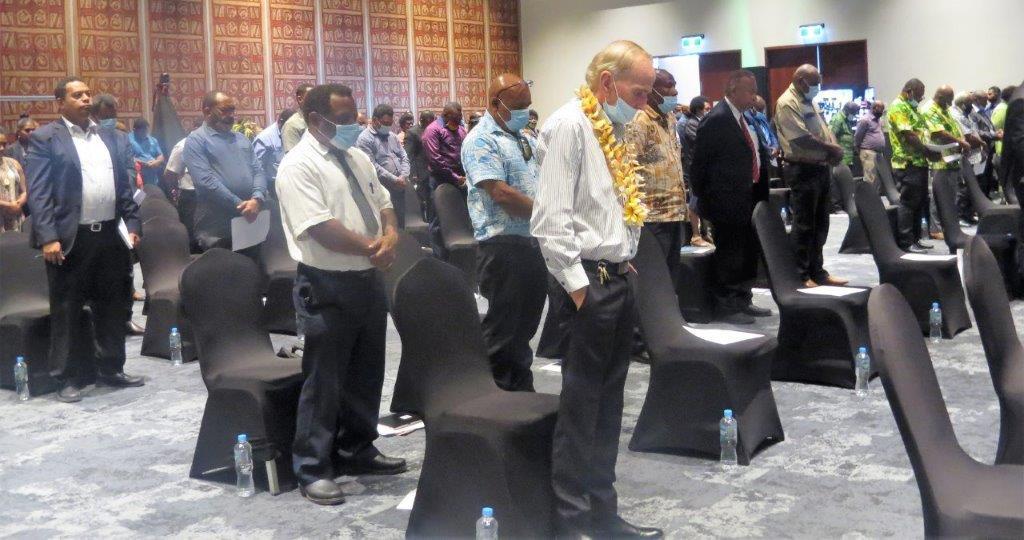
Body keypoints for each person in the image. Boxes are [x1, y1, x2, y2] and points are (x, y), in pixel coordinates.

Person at [531, 40, 663, 539]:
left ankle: (603, 514)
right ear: (607, 82)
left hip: (616, 278)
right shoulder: (569, 125)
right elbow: (550, 221)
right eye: (639, 92)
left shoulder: (612, 128)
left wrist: (624, 257)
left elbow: (609, 208)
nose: (644, 104)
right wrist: (580, 290)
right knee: (581, 410)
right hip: (587, 286)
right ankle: (571, 522)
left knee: (609, 407)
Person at [275, 83, 406, 506]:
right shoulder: (298, 165)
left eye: (355, 116)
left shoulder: (357, 156)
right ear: (316, 120)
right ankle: (312, 467)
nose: (355, 125)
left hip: (367, 278)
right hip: (326, 282)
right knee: (324, 380)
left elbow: (383, 201)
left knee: (367, 371)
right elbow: (319, 227)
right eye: (345, 119)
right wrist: (374, 247)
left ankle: (357, 448)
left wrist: (390, 235)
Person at [25, 77, 144, 403]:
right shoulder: (45, 138)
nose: (86, 99)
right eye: (77, 95)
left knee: (112, 305)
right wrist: (48, 237)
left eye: (88, 94)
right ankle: (66, 377)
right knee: (68, 310)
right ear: (60, 103)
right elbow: (39, 193)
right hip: (69, 239)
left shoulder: (112, 137)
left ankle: (111, 368)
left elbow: (124, 188)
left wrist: (133, 224)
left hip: (109, 235)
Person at [461, 74, 545, 392]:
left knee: (525, 326)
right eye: (518, 106)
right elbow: (501, 194)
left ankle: (519, 388)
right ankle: (492, 393)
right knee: (503, 328)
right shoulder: (481, 140)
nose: (525, 112)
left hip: (532, 240)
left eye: (528, 105)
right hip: (502, 246)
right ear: (496, 104)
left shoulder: (524, 137)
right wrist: (548, 213)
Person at [689, 70, 771, 325]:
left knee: (747, 253)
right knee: (730, 256)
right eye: (750, 90)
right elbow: (699, 165)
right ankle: (727, 305)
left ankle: (743, 299)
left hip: (748, 198)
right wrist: (708, 199)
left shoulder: (744, 118)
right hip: (726, 202)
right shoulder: (717, 119)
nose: (754, 95)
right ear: (733, 91)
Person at [774, 64, 848, 286]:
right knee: (804, 224)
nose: (817, 87)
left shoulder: (809, 100)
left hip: (820, 168)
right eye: (814, 84)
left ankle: (818, 271)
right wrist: (831, 149)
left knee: (821, 223)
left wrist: (833, 148)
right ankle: (801, 274)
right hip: (802, 169)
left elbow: (823, 129)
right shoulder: (787, 102)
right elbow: (800, 138)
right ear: (801, 81)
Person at [183, 91, 268, 253]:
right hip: (217, 227)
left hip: (249, 220)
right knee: (223, 267)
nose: (231, 115)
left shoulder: (241, 139)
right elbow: (206, 182)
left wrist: (257, 198)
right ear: (207, 111)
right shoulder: (196, 141)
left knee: (252, 264)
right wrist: (240, 204)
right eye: (224, 110)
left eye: (232, 110)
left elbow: (258, 171)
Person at [626, 69, 687, 285]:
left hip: (674, 211)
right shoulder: (638, 120)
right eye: (668, 86)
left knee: (672, 275)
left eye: (674, 84)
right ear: (652, 90)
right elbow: (628, 167)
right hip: (652, 216)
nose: (674, 91)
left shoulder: (669, 118)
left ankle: (671, 307)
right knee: (654, 277)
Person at [886, 79, 942, 252]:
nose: (920, 99)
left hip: (919, 162)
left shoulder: (911, 108)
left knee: (919, 203)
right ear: (909, 91)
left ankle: (916, 239)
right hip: (907, 162)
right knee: (908, 203)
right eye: (918, 95)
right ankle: (906, 241)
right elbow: (909, 135)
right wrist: (928, 152)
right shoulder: (898, 107)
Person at [923, 85, 971, 241]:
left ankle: (948, 227)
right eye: (949, 100)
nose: (951, 104)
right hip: (940, 159)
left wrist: (961, 140)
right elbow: (939, 133)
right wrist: (961, 142)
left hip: (951, 158)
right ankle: (935, 229)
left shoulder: (944, 109)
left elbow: (953, 128)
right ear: (941, 97)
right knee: (938, 195)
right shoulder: (930, 109)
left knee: (950, 197)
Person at [423, 101, 467, 257]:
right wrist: (455, 177)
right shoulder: (433, 130)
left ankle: (458, 256)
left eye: (459, 119)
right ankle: (439, 258)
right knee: (438, 220)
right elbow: (435, 160)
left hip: (460, 179)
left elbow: (465, 152)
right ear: (445, 115)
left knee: (459, 218)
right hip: (440, 179)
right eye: (454, 119)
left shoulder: (461, 129)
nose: (458, 123)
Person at [356, 104, 410, 227]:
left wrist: (404, 175)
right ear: (375, 120)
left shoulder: (392, 136)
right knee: (387, 225)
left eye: (390, 124)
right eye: (385, 123)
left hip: (400, 186)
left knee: (400, 224)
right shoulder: (364, 139)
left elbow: (404, 156)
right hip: (382, 188)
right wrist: (395, 179)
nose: (387, 127)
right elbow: (371, 165)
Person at [163, 119, 204, 249]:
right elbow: (170, 173)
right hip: (190, 196)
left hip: (211, 196)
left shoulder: (213, 144)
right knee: (192, 236)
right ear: (195, 128)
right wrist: (173, 192)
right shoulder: (183, 146)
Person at [679, 96, 712, 246]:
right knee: (694, 202)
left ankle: (705, 233)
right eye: (707, 109)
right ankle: (696, 235)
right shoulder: (692, 124)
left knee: (703, 201)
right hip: (694, 169)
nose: (709, 111)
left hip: (704, 169)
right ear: (699, 109)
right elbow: (703, 142)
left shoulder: (702, 122)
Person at [253, 108, 295, 193]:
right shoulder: (264, 139)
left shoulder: (292, 133)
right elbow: (257, 169)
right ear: (281, 122)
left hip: (290, 183)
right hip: (271, 186)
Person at [404, 110, 435, 215]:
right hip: (420, 173)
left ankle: (431, 220)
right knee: (421, 200)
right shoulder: (412, 132)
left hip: (432, 171)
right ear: (421, 120)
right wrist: (413, 174)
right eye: (428, 121)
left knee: (432, 200)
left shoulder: (433, 130)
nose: (430, 124)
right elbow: (409, 155)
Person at [992, 85, 1018, 204]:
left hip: (1007, 151)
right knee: (1009, 186)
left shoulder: (1006, 107)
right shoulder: (1003, 109)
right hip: (1004, 151)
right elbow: (996, 130)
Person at [0, 127, 27, 232]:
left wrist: (19, 203)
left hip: (16, 215)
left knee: (17, 241)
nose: (2, 148)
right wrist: (8, 205)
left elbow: (24, 190)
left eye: (4, 144)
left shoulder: (14, 163)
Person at [855, 100, 886, 185]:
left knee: (878, 180)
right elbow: (857, 137)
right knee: (870, 179)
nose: (882, 112)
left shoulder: (879, 120)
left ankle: (875, 194)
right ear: (874, 108)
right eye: (881, 109)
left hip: (878, 153)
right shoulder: (865, 120)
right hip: (868, 152)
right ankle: (869, 194)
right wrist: (859, 150)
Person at [128, 118, 164, 186]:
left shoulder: (153, 140)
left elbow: (160, 155)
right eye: (142, 132)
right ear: (134, 130)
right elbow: (127, 157)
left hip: (152, 178)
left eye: (146, 131)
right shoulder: (128, 140)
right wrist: (141, 162)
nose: (144, 134)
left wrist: (157, 162)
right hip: (137, 176)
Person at [282, 83, 314, 152]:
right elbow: (292, 155)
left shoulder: (319, 121)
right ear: (300, 99)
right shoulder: (292, 125)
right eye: (311, 97)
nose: (316, 100)